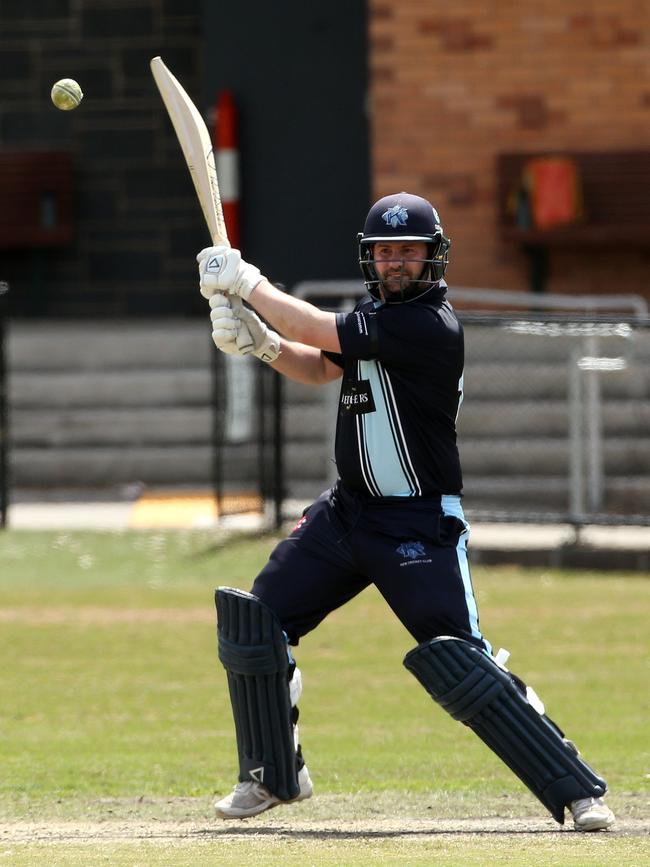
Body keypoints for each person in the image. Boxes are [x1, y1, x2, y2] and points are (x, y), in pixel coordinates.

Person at [196, 192, 615, 831]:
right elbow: (318, 365)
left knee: (460, 659)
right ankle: (272, 776)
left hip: (418, 522)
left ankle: (576, 788)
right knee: (258, 624)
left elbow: (315, 328)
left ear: (431, 258)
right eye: (384, 253)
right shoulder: (373, 316)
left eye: (407, 253)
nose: (394, 264)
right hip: (346, 517)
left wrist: (248, 283)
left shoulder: (429, 326)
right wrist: (262, 346)